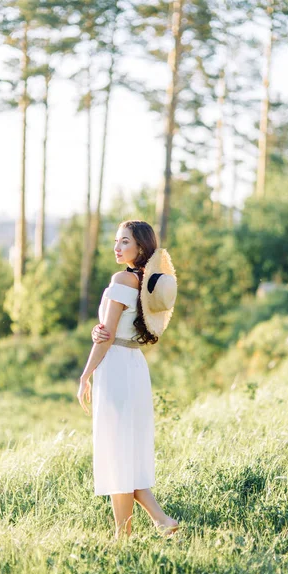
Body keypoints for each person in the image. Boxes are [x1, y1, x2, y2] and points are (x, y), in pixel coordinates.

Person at [77, 219, 179, 539]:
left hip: (116, 365)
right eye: (117, 241)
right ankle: (157, 523)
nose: (117, 247)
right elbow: (117, 328)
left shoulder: (122, 278)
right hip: (134, 364)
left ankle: (129, 535)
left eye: (124, 242)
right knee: (126, 453)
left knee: (117, 452)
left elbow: (105, 337)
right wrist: (102, 331)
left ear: (140, 248)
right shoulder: (145, 281)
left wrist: (85, 375)